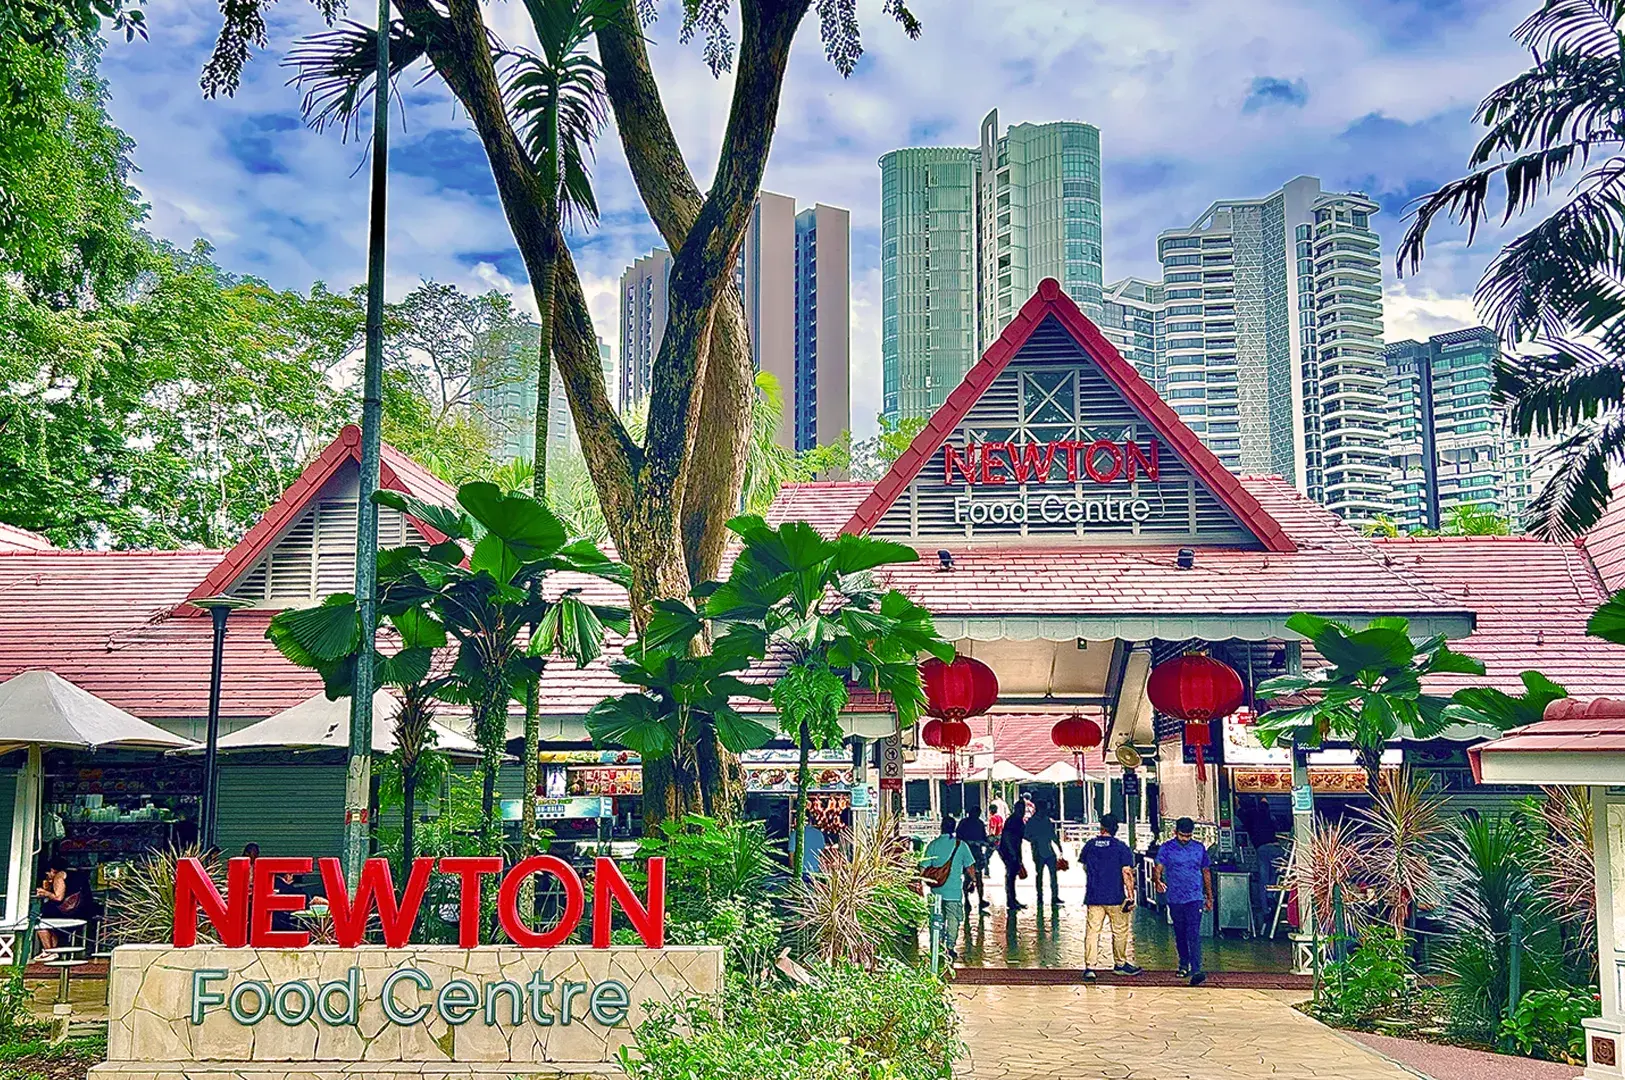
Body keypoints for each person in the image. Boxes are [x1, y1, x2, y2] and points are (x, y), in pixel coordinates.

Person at [1080, 813, 1143, 981]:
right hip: (1116, 897)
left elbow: (1085, 867)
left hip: (1094, 896)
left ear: (1101, 827)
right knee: (1119, 931)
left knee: (1092, 932)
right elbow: (1127, 873)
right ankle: (1120, 964)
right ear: (1115, 829)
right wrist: (1131, 896)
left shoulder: (1090, 846)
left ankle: (1090, 967)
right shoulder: (1121, 847)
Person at [1154, 817, 1214, 986]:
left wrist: (1209, 896)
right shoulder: (1166, 849)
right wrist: (1157, 881)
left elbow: (1206, 872)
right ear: (1175, 832)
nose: (1185, 839)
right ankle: (1183, 963)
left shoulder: (1199, 848)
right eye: (1182, 835)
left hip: (1195, 897)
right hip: (1175, 897)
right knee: (1180, 932)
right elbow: (1158, 867)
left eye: (1188, 836)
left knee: (1193, 933)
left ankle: (1196, 969)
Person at [922, 815, 976, 961]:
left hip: (936, 890)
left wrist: (917, 883)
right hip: (954, 891)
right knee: (953, 919)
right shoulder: (961, 845)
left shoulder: (932, 845)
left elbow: (923, 867)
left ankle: (936, 945)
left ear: (941, 827)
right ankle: (950, 947)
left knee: (935, 918)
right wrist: (974, 880)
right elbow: (970, 867)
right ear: (954, 828)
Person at [34, 859, 93, 952]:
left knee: (41, 923)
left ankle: (49, 950)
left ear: (52, 870)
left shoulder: (59, 876)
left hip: (67, 912)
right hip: (82, 911)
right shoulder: (77, 875)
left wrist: (45, 893)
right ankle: (54, 950)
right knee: (52, 924)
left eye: (48, 874)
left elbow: (58, 897)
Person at [1025, 799, 1061, 907]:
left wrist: (1059, 846)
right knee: (1042, 874)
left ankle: (1050, 897)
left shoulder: (1041, 820)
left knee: (1048, 875)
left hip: (1045, 850)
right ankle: (1042, 896)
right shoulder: (1037, 821)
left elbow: (1053, 835)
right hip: (1040, 851)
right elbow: (1026, 835)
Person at [955, 807, 990, 911]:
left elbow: (984, 837)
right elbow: (959, 838)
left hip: (974, 854)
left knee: (976, 878)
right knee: (972, 878)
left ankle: (976, 900)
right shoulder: (968, 823)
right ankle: (969, 900)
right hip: (969, 853)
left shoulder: (976, 823)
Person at [996, 798, 1027, 910]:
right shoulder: (1013, 820)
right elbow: (1007, 837)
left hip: (1015, 850)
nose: (1023, 810)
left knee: (1012, 876)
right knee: (1010, 876)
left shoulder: (1018, 820)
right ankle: (1011, 901)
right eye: (1021, 808)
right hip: (1009, 851)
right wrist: (1013, 853)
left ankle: (1013, 899)